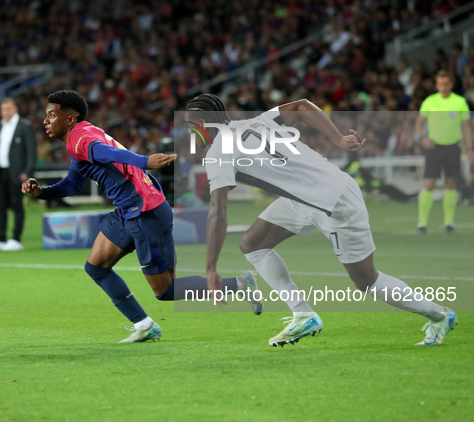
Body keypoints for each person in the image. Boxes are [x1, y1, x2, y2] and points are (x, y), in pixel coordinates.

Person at [186, 93, 457, 347]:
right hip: (306, 197)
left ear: (201, 123)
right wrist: (338, 138)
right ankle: (303, 315)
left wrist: (210, 268)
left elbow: (217, 213)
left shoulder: (218, 153)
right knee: (252, 243)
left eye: (189, 125)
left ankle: (440, 315)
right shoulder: (256, 121)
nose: (189, 131)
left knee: (366, 280)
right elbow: (302, 106)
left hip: (333, 202)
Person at [22, 90, 262, 343]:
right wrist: (41, 192)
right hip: (130, 210)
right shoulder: (83, 134)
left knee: (166, 290)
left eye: (51, 114)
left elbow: (105, 153)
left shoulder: (80, 139)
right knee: (96, 267)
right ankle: (145, 325)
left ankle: (239, 284)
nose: (45, 120)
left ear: (70, 119)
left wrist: (144, 161)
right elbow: (72, 184)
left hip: (144, 213)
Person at [414, 70, 473, 234]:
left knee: (450, 183)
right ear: (437, 84)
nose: (443, 87)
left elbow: (467, 127)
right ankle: (422, 223)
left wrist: (469, 149)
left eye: (446, 84)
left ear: (451, 84)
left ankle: (449, 223)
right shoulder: (430, 101)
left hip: (453, 147)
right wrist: (422, 138)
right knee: (429, 183)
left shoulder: (460, 102)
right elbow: (419, 123)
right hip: (434, 147)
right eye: (440, 84)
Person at [0, 98, 36, 251]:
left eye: (8, 109)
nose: (6, 112)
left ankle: (16, 239)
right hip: (1, 172)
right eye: (3, 109)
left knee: (17, 205)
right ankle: (0, 238)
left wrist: (27, 172)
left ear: (15, 109)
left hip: (17, 173)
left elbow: (31, 151)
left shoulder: (24, 126)